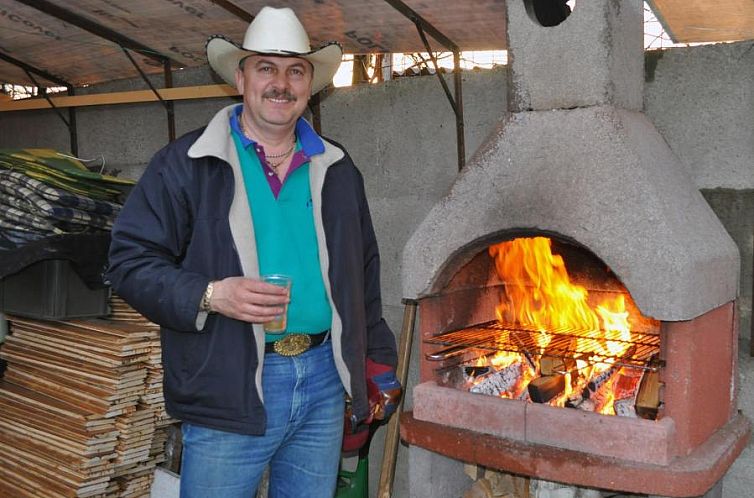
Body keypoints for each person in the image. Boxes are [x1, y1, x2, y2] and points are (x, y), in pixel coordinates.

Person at [106, 6, 399, 498]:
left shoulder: (338, 167)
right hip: (229, 381)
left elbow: (363, 273)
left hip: (325, 379)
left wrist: (376, 360)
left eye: (295, 70)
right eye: (266, 67)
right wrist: (211, 294)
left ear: (310, 85)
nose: (280, 83)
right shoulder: (189, 163)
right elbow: (128, 262)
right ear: (240, 77)